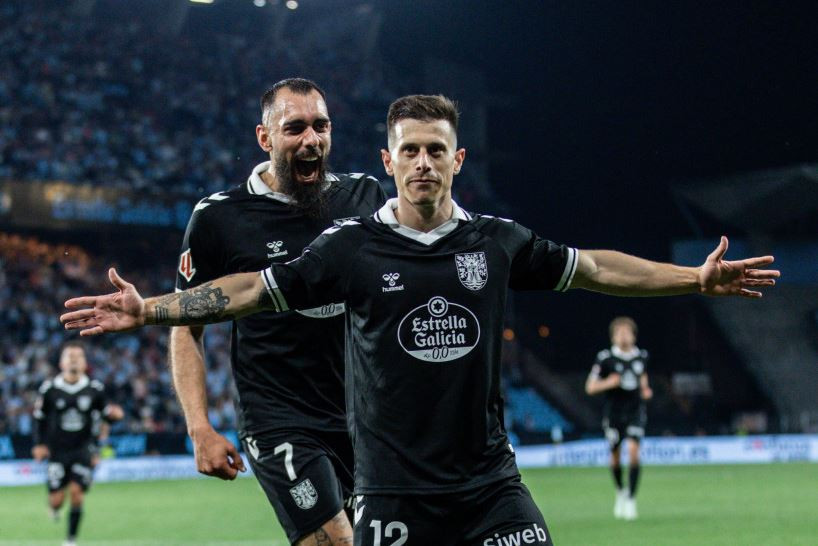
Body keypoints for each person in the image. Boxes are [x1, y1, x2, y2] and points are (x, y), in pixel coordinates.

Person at [61, 94, 779, 545]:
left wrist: (693, 277)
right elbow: (249, 291)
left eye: (437, 149)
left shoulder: (496, 241)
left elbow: (594, 268)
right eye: (411, 149)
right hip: (382, 483)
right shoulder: (346, 246)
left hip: (491, 487)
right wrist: (152, 310)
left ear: (457, 159)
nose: (424, 162)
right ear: (390, 161)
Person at [170, 78, 385, 546]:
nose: (311, 140)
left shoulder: (365, 197)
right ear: (265, 138)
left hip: (361, 417)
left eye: (321, 126)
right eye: (295, 129)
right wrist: (199, 427)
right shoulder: (220, 217)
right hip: (279, 417)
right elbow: (187, 327)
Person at [32, 341, 124, 546]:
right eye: (69, 356)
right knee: (56, 501)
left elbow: (105, 416)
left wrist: (114, 417)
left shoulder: (94, 389)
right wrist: (39, 444)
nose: (74, 359)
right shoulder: (50, 389)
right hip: (57, 451)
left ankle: (70, 540)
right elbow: (39, 418)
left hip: (83, 449)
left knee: (76, 493)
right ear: (61, 363)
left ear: (85, 363)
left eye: (78, 356)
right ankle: (54, 508)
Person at [585, 316, 652, 520]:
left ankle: (631, 498)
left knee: (633, 452)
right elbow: (590, 387)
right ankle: (620, 490)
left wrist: (645, 389)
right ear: (613, 337)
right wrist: (609, 383)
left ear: (633, 335)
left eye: (627, 332)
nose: (623, 336)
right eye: (619, 333)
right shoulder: (605, 358)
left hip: (634, 412)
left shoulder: (641, 356)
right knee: (615, 456)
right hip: (614, 414)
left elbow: (643, 377)